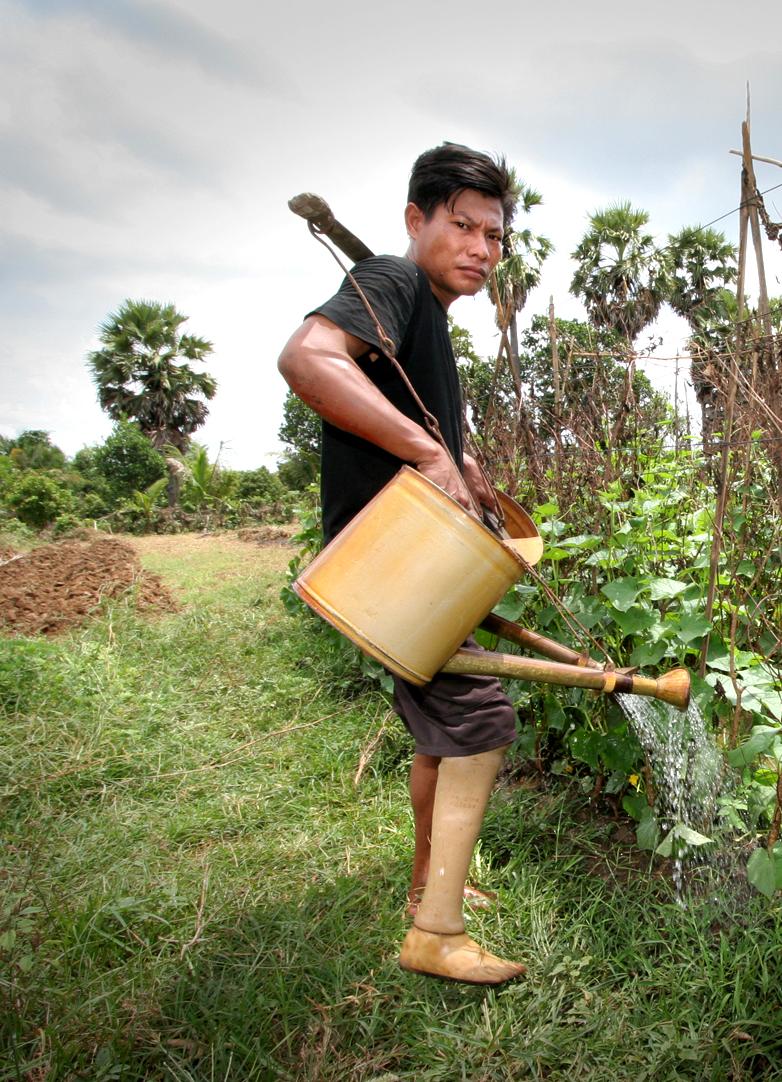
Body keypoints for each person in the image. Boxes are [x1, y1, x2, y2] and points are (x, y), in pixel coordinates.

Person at [276, 143, 525, 985]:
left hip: (403, 557)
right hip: (397, 561)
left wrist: (463, 461)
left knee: (437, 732)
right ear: (417, 220)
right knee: (480, 722)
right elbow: (307, 358)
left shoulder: (426, 316)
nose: (482, 249)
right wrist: (428, 455)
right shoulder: (394, 278)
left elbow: (424, 427)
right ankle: (436, 931)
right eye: (463, 225)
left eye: (494, 235)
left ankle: (430, 882)